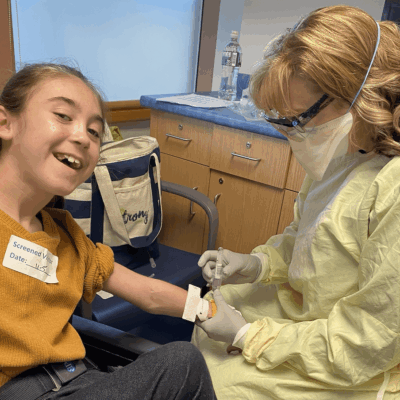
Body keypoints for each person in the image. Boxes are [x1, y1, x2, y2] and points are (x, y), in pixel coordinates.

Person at [192, 5, 400, 400]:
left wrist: (246, 335)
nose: (294, 137)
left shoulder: (392, 187)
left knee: (218, 384)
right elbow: (309, 240)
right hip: (314, 314)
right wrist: (256, 264)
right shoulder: (345, 155)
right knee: (220, 307)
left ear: (360, 94)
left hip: (362, 358)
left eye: (298, 120)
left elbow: (370, 338)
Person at [0, 63, 217, 400]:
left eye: (94, 132)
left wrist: (212, 312)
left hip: (80, 380)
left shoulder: (65, 234)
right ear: (5, 122)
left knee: (182, 360)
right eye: (62, 115)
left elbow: (148, 293)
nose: (82, 137)